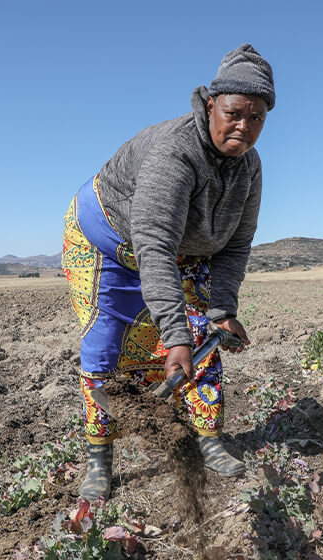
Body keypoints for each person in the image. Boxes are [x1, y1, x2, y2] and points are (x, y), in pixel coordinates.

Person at [61, 43, 275, 501]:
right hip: (110, 242)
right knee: (105, 345)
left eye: (257, 117)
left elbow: (236, 243)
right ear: (211, 103)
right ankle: (99, 457)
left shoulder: (250, 168)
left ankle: (209, 438)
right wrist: (172, 334)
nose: (245, 126)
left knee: (205, 334)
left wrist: (222, 309)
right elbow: (154, 244)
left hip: (178, 250)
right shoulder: (174, 151)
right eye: (235, 112)